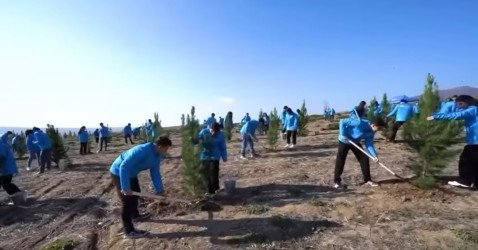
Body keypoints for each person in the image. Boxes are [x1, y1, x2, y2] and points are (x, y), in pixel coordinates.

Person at [110, 136, 172, 239]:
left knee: (136, 193)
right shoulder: (142, 150)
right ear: (160, 146)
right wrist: (125, 187)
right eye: (166, 148)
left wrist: (160, 191)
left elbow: (155, 173)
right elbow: (123, 167)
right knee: (127, 201)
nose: (166, 151)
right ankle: (128, 231)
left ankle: (136, 216)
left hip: (132, 173)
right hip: (119, 172)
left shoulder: (157, 156)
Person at [427, 95, 478, 189]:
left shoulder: (473, 109)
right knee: (475, 162)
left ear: (468, 102)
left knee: (465, 161)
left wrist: (433, 117)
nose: (459, 106)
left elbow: (456, 115)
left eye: (461, 104)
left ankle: (466, 181)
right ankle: (475, 183)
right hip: (474, 141)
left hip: (475, 142)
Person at [334, 117, 387, 189]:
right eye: (379, 128)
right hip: (344, 140)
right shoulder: (360, 122)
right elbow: (342, 121)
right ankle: (337, 182)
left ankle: (368, 180)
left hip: (355, 142)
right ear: (373, 125)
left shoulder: (371, 133)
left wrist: (374, 156)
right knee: (341, 160)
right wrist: (343, 133)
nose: (378, 130)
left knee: (364, 158)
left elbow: (369, 144)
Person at [193, 122, 227, 195]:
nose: (214, 133)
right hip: (205, 155)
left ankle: (216, 188)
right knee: (206, 174)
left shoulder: (221, 135)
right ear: (210, 128)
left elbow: (222, 146)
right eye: (212, 131)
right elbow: (196, 140)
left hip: (215, 155)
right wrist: (192, 139)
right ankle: (209, 190)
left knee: (214, 173)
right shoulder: (204, 132)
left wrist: (224, 156)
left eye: (216, 132)